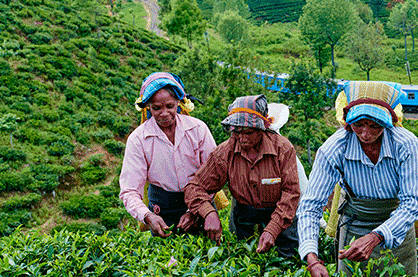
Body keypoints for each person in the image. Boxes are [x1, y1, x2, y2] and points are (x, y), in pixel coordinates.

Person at [297, 81, 418, 277]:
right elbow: (310, 206)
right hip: (355, 226)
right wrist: (312, 259)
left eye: (375, 126)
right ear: (348, 123)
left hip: (397, 229)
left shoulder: (405, 144)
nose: (366, 134)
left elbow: (412, 204)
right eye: (358, 125)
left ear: (388, 123)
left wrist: (376, 236)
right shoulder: (334, 148)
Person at [181, 95, 301, 256]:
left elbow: (291, 193)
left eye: (249, 132)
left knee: (287, 262)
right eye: (237, 131)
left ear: (262, 128)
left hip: (281, 218)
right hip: (243, 218)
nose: (242, 138)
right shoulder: (225, 152)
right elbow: (195, 187)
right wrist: (209, 213)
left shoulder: (282, 149)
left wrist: (272, 229)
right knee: (244, 262)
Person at [119, 72, 216, 238]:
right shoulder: (138, 139)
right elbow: (129, 190)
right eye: (156, 108)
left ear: (179, 102)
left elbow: (213, 175)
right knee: (167, 261)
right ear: (148, 106)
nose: (164, 113)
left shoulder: (197, 130)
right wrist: (148, 216)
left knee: (204, 256)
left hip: (201, 203)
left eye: (170, 106)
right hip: (162, 209)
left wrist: (195, 211)